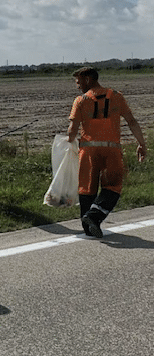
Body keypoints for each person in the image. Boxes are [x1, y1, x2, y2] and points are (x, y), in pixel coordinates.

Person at [67, 67, 146, 238]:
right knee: (113, 187)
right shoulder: (117, 96)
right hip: (112, 150)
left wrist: (68, 143)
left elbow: (72, 131)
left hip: (88, 151)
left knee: (86, 188)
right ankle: (94, 217)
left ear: (88, 79)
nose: (78, 86)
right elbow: (131, 121)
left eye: (79, 82)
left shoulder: (80, 100)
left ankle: (88, 225)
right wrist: (141, 143)